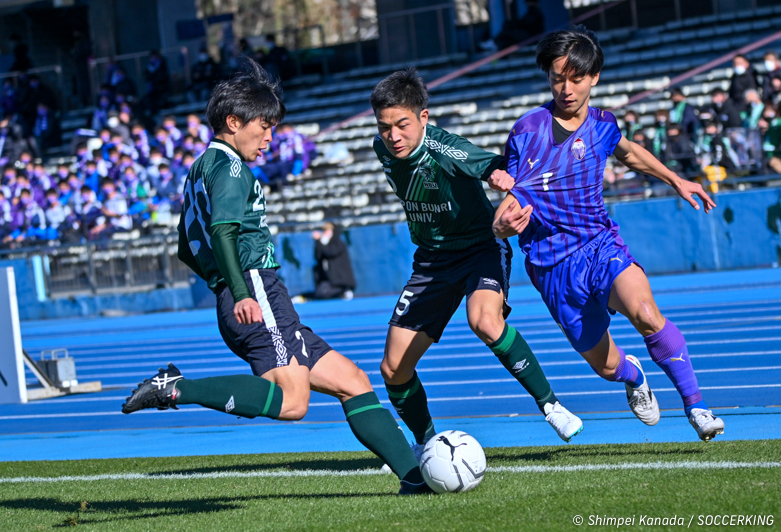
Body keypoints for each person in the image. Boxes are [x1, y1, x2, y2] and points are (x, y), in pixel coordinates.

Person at [121, 61, 431, 496]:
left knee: (353, 382)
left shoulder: (199, 169)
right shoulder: (228, 167)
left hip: (253, 293)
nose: (270, 138)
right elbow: (222, 231)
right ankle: (177, 388)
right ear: (233, 122)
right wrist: (242, 289)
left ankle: (414, 481)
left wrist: (221, 285)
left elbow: (184, 248)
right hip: (256, 292)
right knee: (292, 403)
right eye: (264, 127)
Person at [493, 25, 724, 441]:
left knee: (646, 313)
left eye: (576, 78)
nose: (566, 88)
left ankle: (697, 406)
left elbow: (630, 153)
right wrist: (500, 225)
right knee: (605, 366)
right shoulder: (526, 131)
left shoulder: (603, 124)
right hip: (551, 266)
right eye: (557, 78)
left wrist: (677, 180)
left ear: (594, 77)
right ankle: (634, 375)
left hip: (600, 245)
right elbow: (511, 196)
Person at [369, 68, 583, 454]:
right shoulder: (381, 147)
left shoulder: (446, 149)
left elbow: (490, 165)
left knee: (484, 321)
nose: (393, 136)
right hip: (431, 262)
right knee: (393, 368)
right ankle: (425, 443)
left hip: (480, 248)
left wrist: (502, 180)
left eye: (402, 124)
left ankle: (550, 405)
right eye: (385, 127)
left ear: (424, 117)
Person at [312, 222, 355, 300]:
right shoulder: (323, 244)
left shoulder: (338, 243)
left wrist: (320, 240)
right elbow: (318, 256)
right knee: (320, 293)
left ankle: (344, 291)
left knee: (324, 292)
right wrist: (318, 242)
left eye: (327, 230)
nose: (325, 233)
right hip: (329, 282)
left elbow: (330, 252)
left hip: (341, 282)